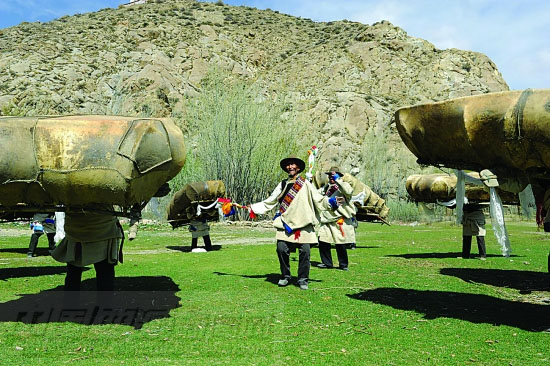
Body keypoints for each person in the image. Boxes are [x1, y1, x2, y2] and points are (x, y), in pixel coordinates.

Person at [249, 156, 339, 290]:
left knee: (305, 252)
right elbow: (271, 201)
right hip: (285, 223)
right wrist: (253, 208)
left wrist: (331, 202)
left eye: (293, 165)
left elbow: (318, 199)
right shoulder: (282, 184)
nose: (290, 167)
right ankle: (285, 276)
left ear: (298, 167)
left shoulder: (306, 183)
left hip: (304, 224)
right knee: (281, 249)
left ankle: (303, 279)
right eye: (288, 165)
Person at [51, 210, 124, 291]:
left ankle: (72, 302)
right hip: (80, 230)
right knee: (102, 273)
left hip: (95, 229)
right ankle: (72, 302)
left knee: (101, 273)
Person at [317, 166, 356, 270]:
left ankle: (343, 265)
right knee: (323, 241)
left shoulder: (344, 187)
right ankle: (327, 263)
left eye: (333, 175)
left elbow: (348, 191)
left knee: (340, 243)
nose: (331, 177)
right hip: (327, 219)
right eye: (329, 175)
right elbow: (317, 195)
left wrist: (338, 179)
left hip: (339, 219)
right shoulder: (327, 188)